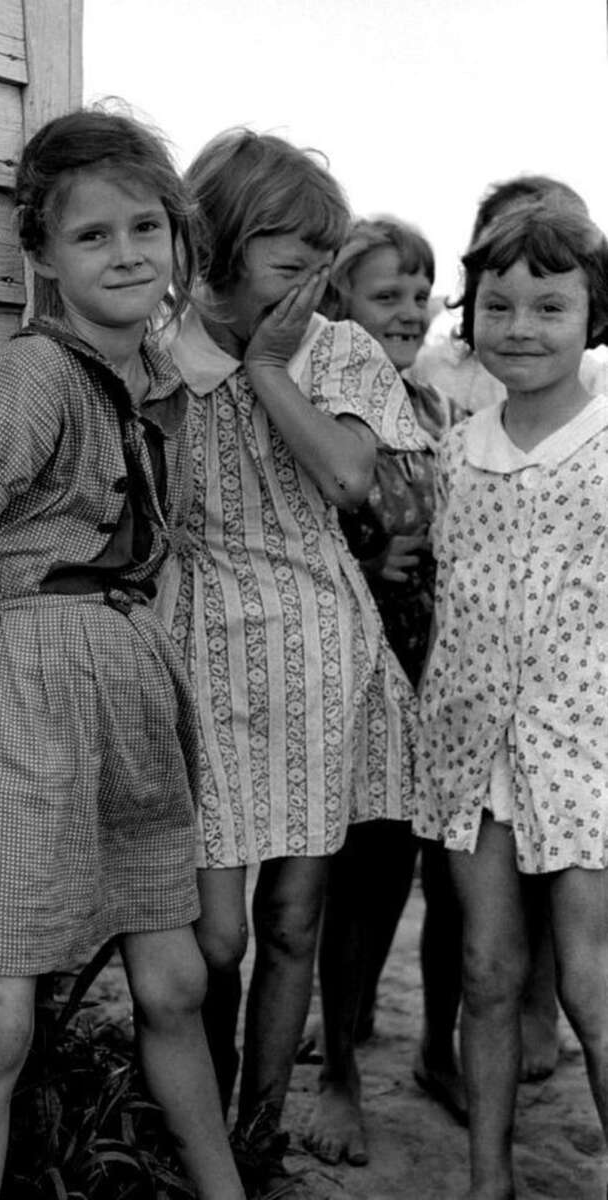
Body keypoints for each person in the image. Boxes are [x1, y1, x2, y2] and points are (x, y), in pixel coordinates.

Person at [0, 107, 245, 1200]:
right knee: (0, 1014)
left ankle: (225, 1190)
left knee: (176, 980)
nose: (128, 253)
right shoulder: (33, 375)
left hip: (132, 687)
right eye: (92, 236)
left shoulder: (151, 390)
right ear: (39, 253)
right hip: (33, 681)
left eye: (148, 227)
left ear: (180, 243)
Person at [155, 129, 425, 1195]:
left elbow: (350, 480)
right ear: (220, 240)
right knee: (214, 934)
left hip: (317, 647)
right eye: (289, 255)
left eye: (324, 259)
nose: (313, 280)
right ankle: (201, 1117)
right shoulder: (159, 347)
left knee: (291, 916)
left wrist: (269, 364)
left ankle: (256, 1137)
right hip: (196, 648)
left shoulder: (337, 349)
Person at [416, 201, 608, 1200]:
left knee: (589, 980)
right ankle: (488, 1178)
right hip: (470, 737)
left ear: (594, 316)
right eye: (499, 304)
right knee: (486, 970)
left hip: (586, 738)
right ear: (471, 313)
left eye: (550, 304)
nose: (521, 326)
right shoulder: (456, 448)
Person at [302, 217, 467, 1169]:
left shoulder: (435, 410)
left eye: (420, 292)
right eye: (384, 295)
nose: (408, 311)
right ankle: (339, 1079)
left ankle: (438, 1053)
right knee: (361, 878)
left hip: (441, 670)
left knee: (446, 877)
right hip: (365, 669)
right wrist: (372, 556)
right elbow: (298, 532)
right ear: (337, 305)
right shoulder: (323, 407)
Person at [411, 174, 607, 415]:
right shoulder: (432, 368)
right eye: (505, 232)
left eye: (549, 308)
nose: (519, 329)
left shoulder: (598, 383)